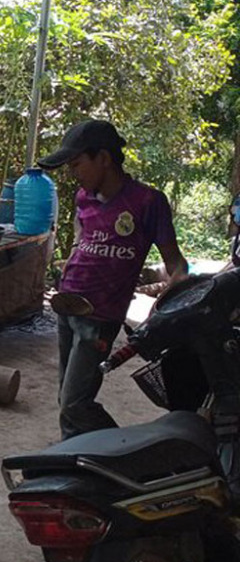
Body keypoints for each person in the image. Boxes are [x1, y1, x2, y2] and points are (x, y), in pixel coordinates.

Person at [38, 119, 187, 440]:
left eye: (77, 164)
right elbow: (82, 232)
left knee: (75, 403)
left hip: (100, 317)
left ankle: (122, 452)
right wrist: (74, 255)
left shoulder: (148, 202)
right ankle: (75, 459)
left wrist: (166, 303)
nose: (73, 173)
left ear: (103, 158)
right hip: (67, 306)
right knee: (66, 399)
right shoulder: (84, 197)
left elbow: (177, 264)